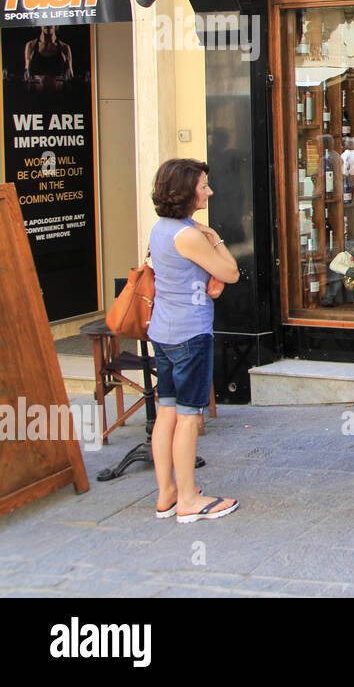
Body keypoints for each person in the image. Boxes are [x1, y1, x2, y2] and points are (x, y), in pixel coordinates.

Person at [147, 159, 240, 523]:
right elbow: (230, 272)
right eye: (203, 186)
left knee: (166, 412)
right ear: (186, 192)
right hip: (190, 332)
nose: (209, 191)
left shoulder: (162, 228)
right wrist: (215, 237)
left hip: (163, 331)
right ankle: (187, 499)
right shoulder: (189, 234)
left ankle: (167, 492)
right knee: (188, 417)